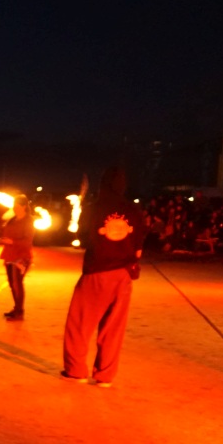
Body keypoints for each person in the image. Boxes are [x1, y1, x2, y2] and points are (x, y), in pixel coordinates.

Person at [62, 166, 147, 388]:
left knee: (80, 324)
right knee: (114, 328)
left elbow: (82, 237)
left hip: (97, 272)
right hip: (124, 275)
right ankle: (105, 375)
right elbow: (138, 249)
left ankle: (76, 370)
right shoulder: (134, 211)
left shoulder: (94, 208)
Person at [0, 195, 35, 321]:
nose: (14, 208)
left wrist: (12, 241)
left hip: (22, 256)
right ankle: (17, 308)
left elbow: (28, 241)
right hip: (9, 254)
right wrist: (1, 239)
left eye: (17, 205)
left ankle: (19, 311)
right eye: (14, 205)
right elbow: (6, 233)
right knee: (12, 284)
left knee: (17, 283)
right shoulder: (12, 220)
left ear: (24, 206)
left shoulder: (29, 221)